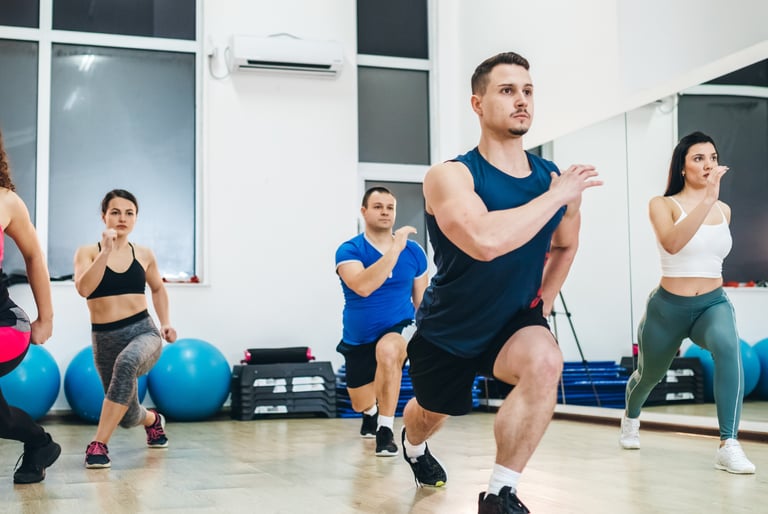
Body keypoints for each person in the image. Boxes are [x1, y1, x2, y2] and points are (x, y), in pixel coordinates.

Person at [399, 51, 602, 514]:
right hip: (449, 327)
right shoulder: (450, 176)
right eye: (507, 91)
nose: (521, 100)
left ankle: (500, 493)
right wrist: (555, 197)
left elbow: (565, 245)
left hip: (514, 323)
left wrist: (543, 304)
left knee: (546, 361)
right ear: (478, 104)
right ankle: (413, 446)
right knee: (430, 414)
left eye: (527, 91)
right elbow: (484, 241)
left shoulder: (553, 180)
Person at [620, 131, 755, 474]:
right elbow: (672, 243)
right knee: (649, 375)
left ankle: (728, 443)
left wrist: (711, 201)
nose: (708, 164)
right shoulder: (662, 205)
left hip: (712, 304)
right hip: (668, 309)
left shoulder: (724, 210)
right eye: (698, 158)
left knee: (728, 348)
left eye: (713, 157)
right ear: (682, 167)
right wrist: (707, 200)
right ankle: (631, 418)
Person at [74, 189, 177, 469]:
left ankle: (98, 445)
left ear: (136, 218)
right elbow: (84, 289)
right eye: (115, 212)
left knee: (128, 361)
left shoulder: (143, 254)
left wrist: (166, 322)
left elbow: (158, 289)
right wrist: (106, 252)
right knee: (129, 416)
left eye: (129, 213)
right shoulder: (88, 252)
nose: (122, 218)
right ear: (103, 216)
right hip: (105, 338)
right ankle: (153, 420)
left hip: (143, 332)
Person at [335, 187, 428, 456]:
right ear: (364, 212)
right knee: (359, 401)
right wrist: (395, 249)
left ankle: (385, 430)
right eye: (378, 207)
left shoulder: (414, 252)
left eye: (390, 207)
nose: (385, 212)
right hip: (359, 336)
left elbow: (422, 302)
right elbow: (363, 286)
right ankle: (371, 412)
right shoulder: (350, 250)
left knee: (388, 351)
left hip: (398, 327)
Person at [0, 127, 59, 484]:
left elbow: (34, 255)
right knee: (1, 420)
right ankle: (40, 444)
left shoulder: (6, 200)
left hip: (5, 324)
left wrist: (45, 318)